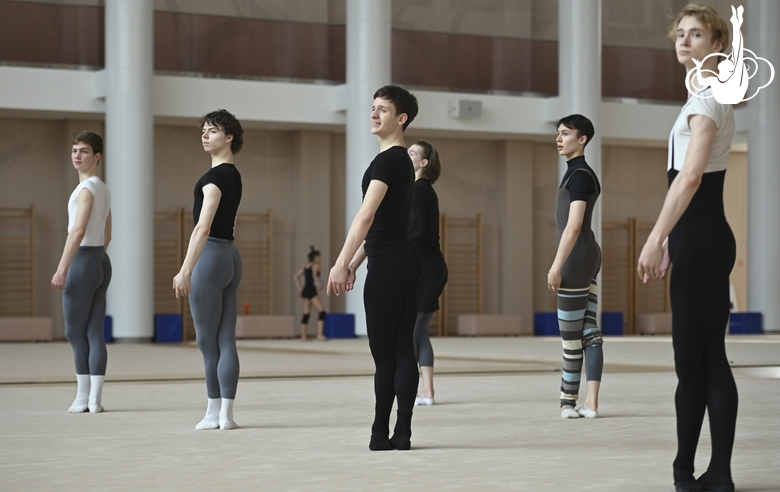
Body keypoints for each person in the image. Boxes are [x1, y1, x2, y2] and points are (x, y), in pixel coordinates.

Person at [638, 5, 737, 492]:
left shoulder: (705, 99)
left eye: (696, 34)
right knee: (710, 356)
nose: (684, 41)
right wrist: (674, 237)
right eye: (680, 34)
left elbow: (691, 178)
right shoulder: (707, 95)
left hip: (699, 237)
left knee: (690, 361)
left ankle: (685, 472)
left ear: (717, 44)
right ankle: (716, 473)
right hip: (704, 237)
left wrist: (657, 239)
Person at [327, 85, 421, 451]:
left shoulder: (387, 161)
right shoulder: (400, 162)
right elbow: (386, 226)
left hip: (389, 264)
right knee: (402, 350)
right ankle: (403, 432)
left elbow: (366, 216)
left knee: (385, 355)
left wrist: (338, 264)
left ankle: (380, 432)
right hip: (402, 259)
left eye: (382, 109)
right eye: (372, 108)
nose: (373, 114)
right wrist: (354, 262)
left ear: (401, 119)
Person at [173, 109, 244, 431]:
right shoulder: (234, 174)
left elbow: (202, 228)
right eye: (203, 130)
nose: (205, 135)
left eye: (212, 131)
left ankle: (213, 411)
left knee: (207, 340)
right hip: (230, 255)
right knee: (225, 338)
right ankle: (226, 415)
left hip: (211, 256)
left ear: (229, 137)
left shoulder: (213, 179)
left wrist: (186, 269)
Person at [548, 114, 603, 420]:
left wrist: (556, 266)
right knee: (590, 333)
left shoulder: (580, 175)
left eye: (566, 133)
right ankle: (591, 404)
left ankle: (568, 402)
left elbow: (573, 226)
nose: (559, 138)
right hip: (588, 256)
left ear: (581, 140)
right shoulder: (578, 173)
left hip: (575, 260)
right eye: (558, 133)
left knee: (571, 339)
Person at [52, 131, 112, 414]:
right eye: (74, 150)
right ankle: (95, 400)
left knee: (74, 331)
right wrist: (98, 257)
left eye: (84, 151)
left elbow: (77, 230)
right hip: (100, 259)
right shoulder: (103, 188)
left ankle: (82, 397)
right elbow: (108, 231)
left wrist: (63, 268)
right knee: (93, 330)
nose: (77, 155)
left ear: (96, 156)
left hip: (84, 260)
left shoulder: (87, 189)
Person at [407, 140, 448, 406]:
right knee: (419, 332)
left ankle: (410, 388)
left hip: (426, 268)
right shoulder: (421, 190)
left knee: (410, 332)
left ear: (424, 163)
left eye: (412, 153)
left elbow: (418, 233)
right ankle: (428, 392)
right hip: (431, 266)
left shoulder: (419, 190)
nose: (406, 154)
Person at [293, 246, 327, 341]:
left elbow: (296, 276)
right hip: (311, 290)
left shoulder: (306, 266)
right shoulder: (316, 266)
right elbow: (314, 275)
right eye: (319, 257)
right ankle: (319, 335)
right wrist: (319, 285)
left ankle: (303, 336)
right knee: (322, 312)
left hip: (305, 290)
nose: (321, 258)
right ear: (316, 257)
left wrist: (300, 289)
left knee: (306, 314)